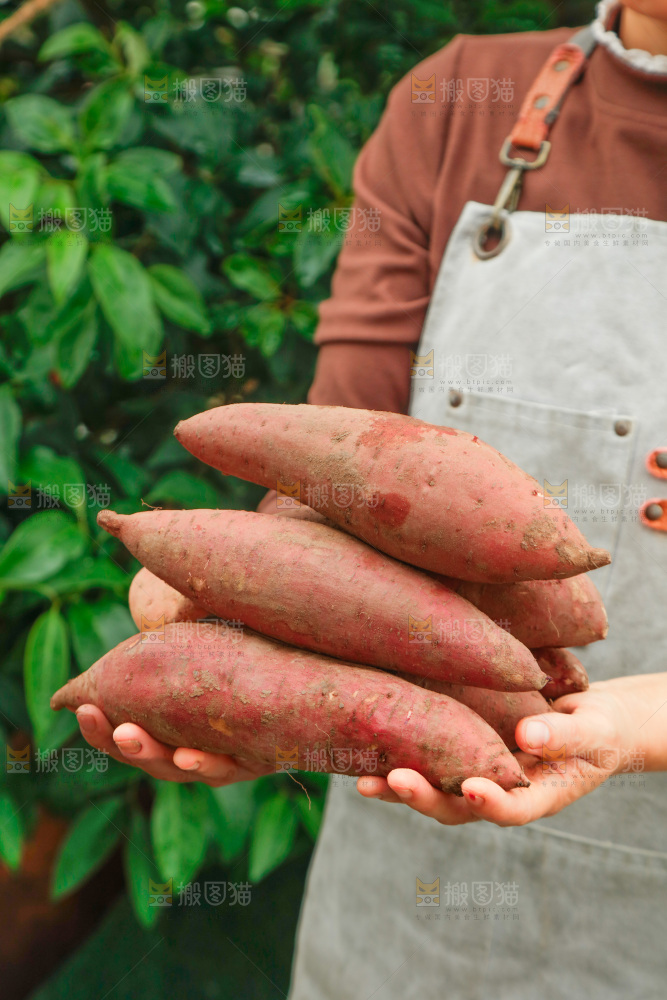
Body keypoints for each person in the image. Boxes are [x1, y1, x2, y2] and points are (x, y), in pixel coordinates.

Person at [75, 1, 667, 995]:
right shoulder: (455, 102)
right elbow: (332, 478)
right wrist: (251, 674)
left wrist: (643, 724)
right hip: (405, 865)